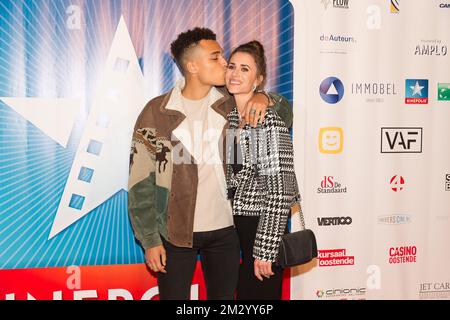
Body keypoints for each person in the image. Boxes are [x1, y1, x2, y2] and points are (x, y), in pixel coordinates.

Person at [128, 28, 293, 300]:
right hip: (176, 235)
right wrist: (150, 239)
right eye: (216, 58)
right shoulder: (156, 112)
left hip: (226, 232)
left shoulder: (231, 103)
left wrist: (264, 97)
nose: (225, 64)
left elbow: (285, 114)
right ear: (192, 66)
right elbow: (140, 183)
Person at [225, 41, 301, 300]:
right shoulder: (234, 118)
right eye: (232, 66)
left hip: (262, 226)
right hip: (242, 228)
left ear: (258, 79)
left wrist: (265, 250)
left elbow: (280, 191)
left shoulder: (266, 120)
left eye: (244, 69)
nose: (235, 74)